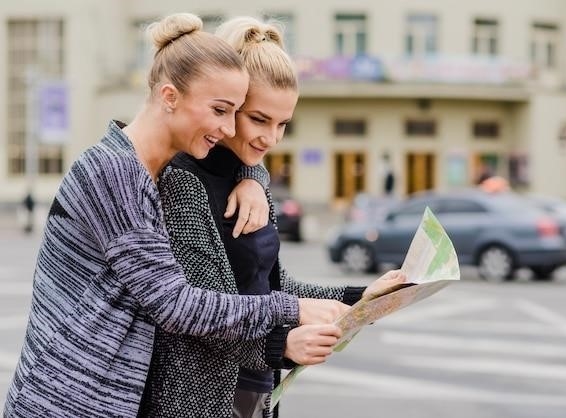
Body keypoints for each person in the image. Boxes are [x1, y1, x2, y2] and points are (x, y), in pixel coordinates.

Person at [3, 13, 348, 418]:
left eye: (234, 112)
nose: (226, 127)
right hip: (65, 399)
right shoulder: (113, 171)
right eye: (221, 111)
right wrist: (291, 311)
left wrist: (252, 173)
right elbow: (176, 303)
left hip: (106, 400)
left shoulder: (149, 172)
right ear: (169, 96)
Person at [138, 16, 407, 418]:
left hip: (258, 391)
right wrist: (279, 344)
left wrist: (361, 300)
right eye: (258, 119)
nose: (271, 138)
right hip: (195, 397)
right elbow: (194, 315)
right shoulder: (183, 179)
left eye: (283, 123)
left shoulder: (253, 182)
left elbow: (273, 287)